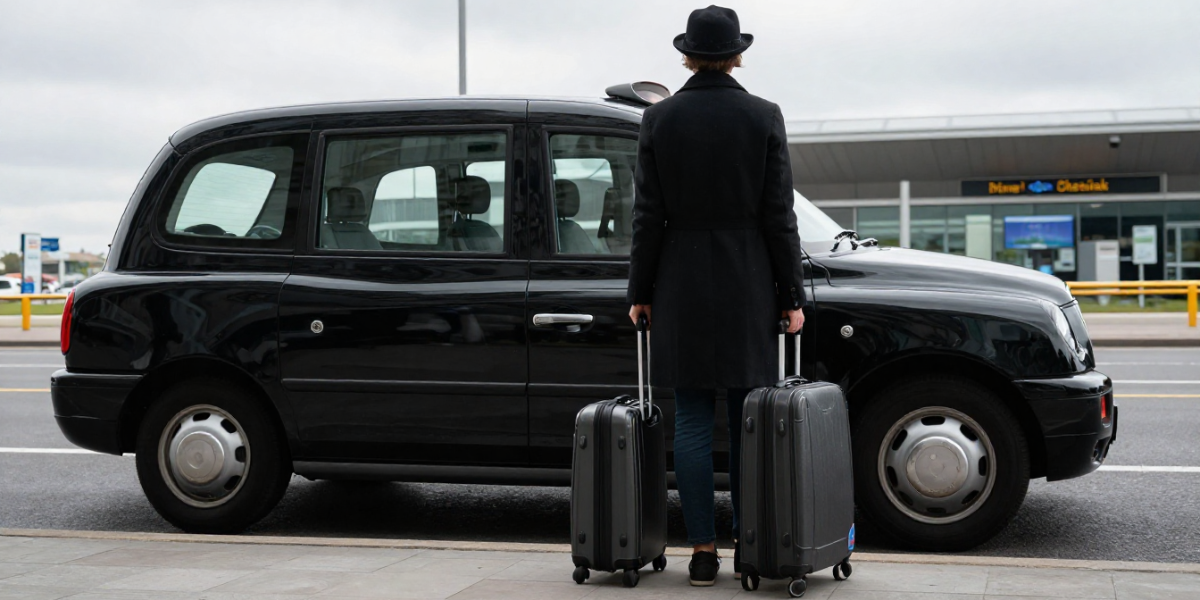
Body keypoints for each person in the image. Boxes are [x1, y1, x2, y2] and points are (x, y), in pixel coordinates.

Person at [626, 4, 806, 587]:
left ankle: (702, 552)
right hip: (748, 283)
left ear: (687, 56)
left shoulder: (660, 119)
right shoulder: (763, 116)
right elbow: (779, 215)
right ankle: (750, 548)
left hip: (680, 284)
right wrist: (791, 294)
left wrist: (641, 291)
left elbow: (647, 216)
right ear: (736, 55)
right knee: (748, 421)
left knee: (693, 422)